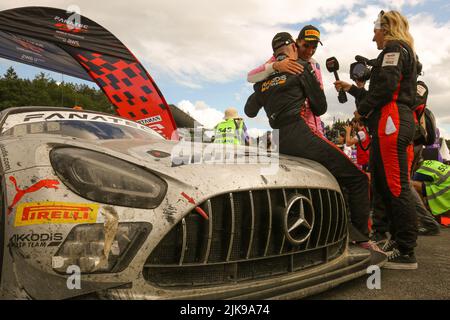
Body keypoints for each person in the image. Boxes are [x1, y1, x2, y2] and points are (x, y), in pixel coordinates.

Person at [245, 32, 378, 251]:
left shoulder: (262, 80)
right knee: (358, 179)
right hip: (300, 133)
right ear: (293, 48)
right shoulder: (301, 68)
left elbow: (249, 111)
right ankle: (361, 239)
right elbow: (320, 107)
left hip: (277, 140)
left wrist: (269, 82)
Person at [334, 10, 419, 269]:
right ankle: (395, 240)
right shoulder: (398, 51)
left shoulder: (394, 48)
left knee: (395, 186)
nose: (373, 37)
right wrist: (354, 90)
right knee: (382, 184)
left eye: (375, 31)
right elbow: (383, 89)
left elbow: (386, 88)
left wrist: (362, 109)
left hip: (393, 119)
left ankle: (406, 250)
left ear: (387, 28)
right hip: (388, 118)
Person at [247, 25, 325, 136]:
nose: (310, 51)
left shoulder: (315, 65)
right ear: (297, 42)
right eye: (306, 46)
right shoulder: (281, 57)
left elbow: (319, 98)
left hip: (316, 129)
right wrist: (276, 66)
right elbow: (250, 77)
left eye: (314, 47)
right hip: (295, 129)